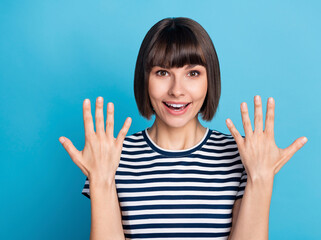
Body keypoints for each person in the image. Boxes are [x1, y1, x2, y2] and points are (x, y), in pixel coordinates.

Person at [59, 17, 307, 240]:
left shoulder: (242, 154)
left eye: (193, 73)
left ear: (210, 80)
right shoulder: (113, 155)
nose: (177, 90)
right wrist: (101, 181)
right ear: (144, 79)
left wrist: (260, 179)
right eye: (163, 72)